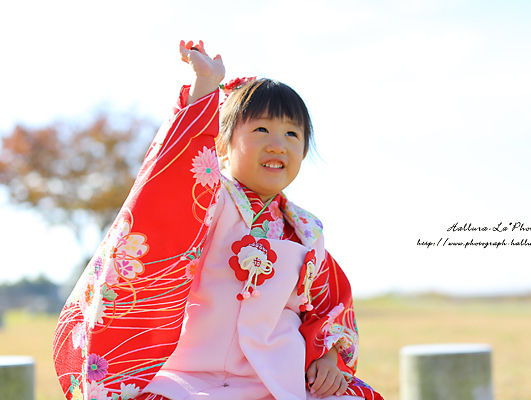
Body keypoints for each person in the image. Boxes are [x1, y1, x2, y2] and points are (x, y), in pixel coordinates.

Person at [53, 39, 382, 400]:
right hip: (187, 376)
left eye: (292, 134)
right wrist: (206, 85)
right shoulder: (207, 200)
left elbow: (328, 304)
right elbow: (175, 173)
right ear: (221, 146)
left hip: (276, 376)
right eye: (261, 130)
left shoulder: (305, 231)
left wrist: (329, 356)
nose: (278, 144)